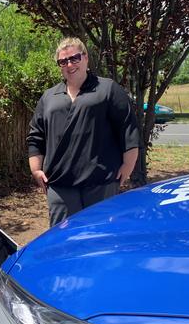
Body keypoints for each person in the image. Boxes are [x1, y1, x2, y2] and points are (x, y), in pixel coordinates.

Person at [27, 37, 140, 226]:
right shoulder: (49, 97)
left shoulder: (107, 89)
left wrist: (128, 165)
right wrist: (36, 170)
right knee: (63, 242)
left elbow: (127, 128)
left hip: (101, 182)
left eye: (74, 58)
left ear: (85, 58)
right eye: (63, 62)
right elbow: (36, 135)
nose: (69, 65)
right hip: (60, 185)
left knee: (100, 239)